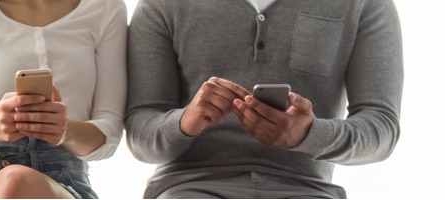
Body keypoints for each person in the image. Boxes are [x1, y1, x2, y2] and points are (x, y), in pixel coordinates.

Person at [125, 0, 402, 198]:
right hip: (188, 188)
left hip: (305, 190)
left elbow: (382, 130)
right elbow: (140, 135)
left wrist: (309, 134)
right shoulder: (159, 5)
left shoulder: (366, 4)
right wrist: (184, 123)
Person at [0, 0, 127, 198]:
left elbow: (110, 132)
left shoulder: (105, 7)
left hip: (62, 185)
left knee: (15, 181)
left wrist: (64, 130)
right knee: (14, 180)